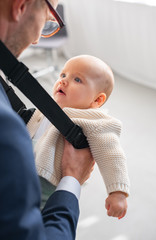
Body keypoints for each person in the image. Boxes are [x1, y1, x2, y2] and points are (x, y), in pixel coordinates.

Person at [0, 1, 95, 240]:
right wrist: (72, 179)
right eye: (48, 18)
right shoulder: (7, 130)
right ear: (20, 6)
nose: (35, 41)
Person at [27, 55, 130, 219]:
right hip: (23, 164)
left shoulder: (94, 121)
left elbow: (112, 154)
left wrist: (118, 192)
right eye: (62, 75)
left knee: (34, 211)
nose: (63, 81)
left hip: (46, 183)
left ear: (97, 100)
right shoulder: (48, 105)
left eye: (77, 79)